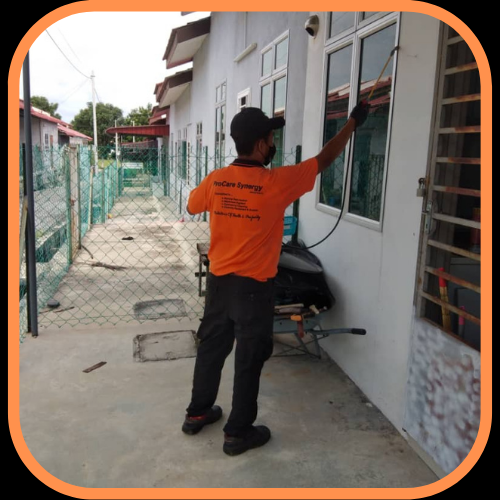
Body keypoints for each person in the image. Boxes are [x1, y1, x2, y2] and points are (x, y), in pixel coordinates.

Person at [181, 102, 370, 456]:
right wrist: (352, 123)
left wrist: (225, 200)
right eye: (271, 138)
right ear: (259, 144)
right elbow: (323, 160)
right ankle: (237, 433)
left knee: (211, 349)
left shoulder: (216, 180)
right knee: (249, 357)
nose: (273, 144)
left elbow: (192, 206)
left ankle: (197, 413)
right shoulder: (277, 183)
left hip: (219, 285)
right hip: (253, 290)